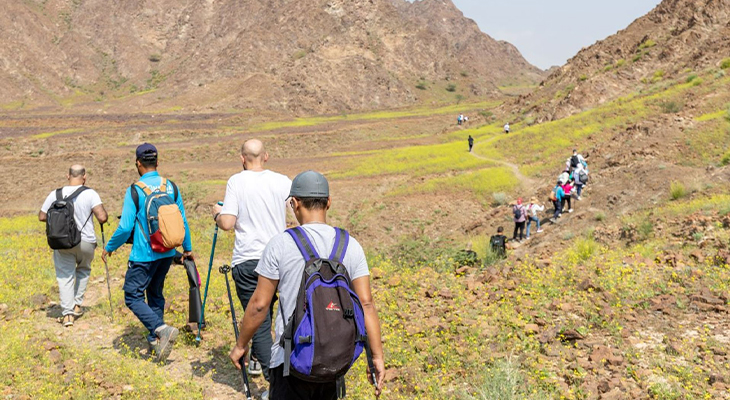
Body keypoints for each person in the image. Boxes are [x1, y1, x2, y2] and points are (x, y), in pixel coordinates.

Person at [228, 171, 385, 400]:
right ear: (328, 202)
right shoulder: (350, 245)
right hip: (334, 359)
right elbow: (366, 304)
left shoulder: (281, 244)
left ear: (294, 203)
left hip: (289, 361)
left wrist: (242, 345)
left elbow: (260, 305)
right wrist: (376, 357)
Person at [102, 143, 194, 363]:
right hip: (166, 252)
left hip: (144, 254)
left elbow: (125, 227)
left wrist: (110, 247)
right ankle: (156, 340)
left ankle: (160, 329)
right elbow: (182, 220)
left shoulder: (135, 190)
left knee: (132, 295)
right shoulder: (170, 187)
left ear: (137, 163)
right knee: (155, 294)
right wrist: (187, 249)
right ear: (158, 162)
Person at [212, 139, 292, 384]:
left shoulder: (237, 181)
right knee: (277, 318)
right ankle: (269, 365)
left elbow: (227, 223)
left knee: (258, 320)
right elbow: (297, 212)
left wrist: (217, 212)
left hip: (248, 261)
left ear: (242, 158)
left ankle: (276, 384)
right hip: (280, 258)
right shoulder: (282, 181)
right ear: (265, 156)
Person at [39, 165, 108, 327]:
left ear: (67, 176)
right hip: (86, 242)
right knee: (83, 270)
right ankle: (77, 305)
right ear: (84, 177)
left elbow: (42, 216)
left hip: (62, 241)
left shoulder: (55, 194)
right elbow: (102, 217)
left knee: (65, 277)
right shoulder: (90, 193)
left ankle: (68, 315)